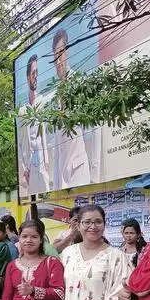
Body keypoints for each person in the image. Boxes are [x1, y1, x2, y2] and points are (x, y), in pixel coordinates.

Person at [51, 29, 95, 188]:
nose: (58, 61)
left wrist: (95, 176)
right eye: (55, 56)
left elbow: (91, 133)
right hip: (61, 176)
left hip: (79, 171)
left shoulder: (79, 84)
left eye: (61, 53)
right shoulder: (55, 93)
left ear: (67, 51)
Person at [18, 53, 52, 194]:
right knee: (33, 198)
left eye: (37, 72)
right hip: (31, 165)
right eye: (33, 73)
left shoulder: (44, 102)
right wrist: (24, 168)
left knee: (49, 194)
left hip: (44, 162)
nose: (36, 76)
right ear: (28, 77)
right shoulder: (22, 111)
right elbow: (20, 143)